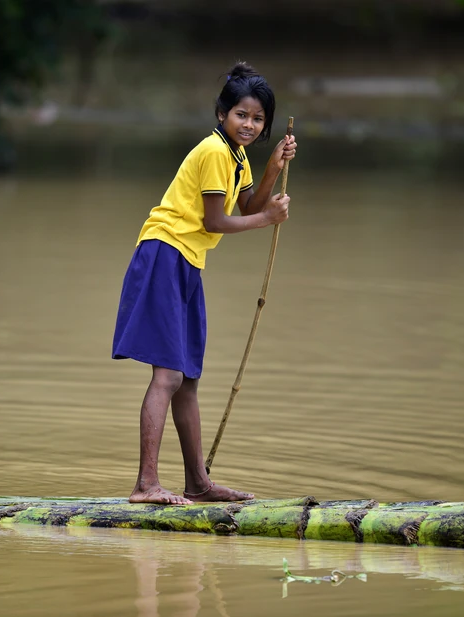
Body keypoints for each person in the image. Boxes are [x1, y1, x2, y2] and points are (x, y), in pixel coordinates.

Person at [112, 61, 297, 505]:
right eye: (241, 115)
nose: (249, 124)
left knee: (188, 378)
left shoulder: (235, 156)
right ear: (221, 114)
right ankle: (146, 485)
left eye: (258, 119)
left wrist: (272, 168)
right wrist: (268, 218)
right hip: (165, 253)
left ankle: (198, 483)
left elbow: (247, 204)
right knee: (168, 374)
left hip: (188, 262)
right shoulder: (214, 151)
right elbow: (217, 221)